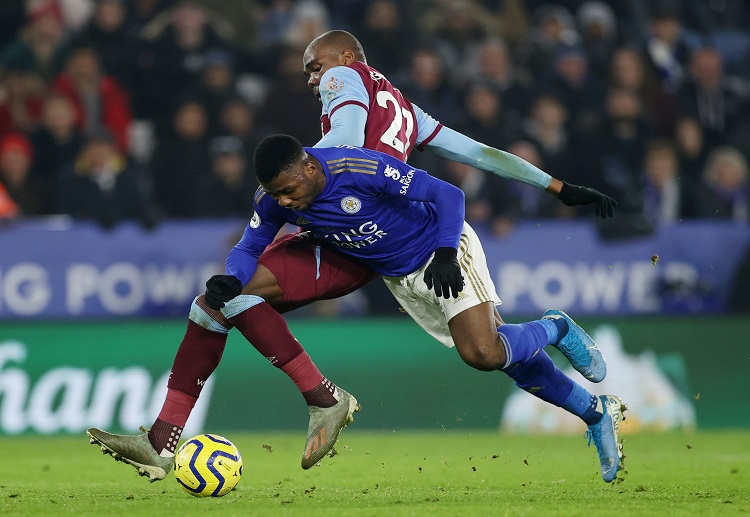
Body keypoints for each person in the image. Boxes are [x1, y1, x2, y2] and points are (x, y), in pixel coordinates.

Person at [87, 30, 619, 482]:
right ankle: (171, 438)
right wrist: (555, 185)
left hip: (418, 238)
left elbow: (346, 141)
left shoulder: (344, 83)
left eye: (314, 67)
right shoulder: (408, 113)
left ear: (346, 58)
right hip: (362, 244)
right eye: (308, 73)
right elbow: (479, 153)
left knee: (485, 350)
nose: (312, 79)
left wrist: (309, 170)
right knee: (218, 302)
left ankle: (555, 327)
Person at [226, 136, 626, 482]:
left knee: (483, 352)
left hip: (442, 251)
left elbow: (449, 194)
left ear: (310, 168)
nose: (284, 201)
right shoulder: (275, 198)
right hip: (401, 278)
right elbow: (248, 248)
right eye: (276, 194)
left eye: (288, 190)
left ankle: (556, 327)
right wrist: (230, 279)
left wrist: (447, 252)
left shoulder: (359, 168)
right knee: (505, 355)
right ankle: (595, 413)